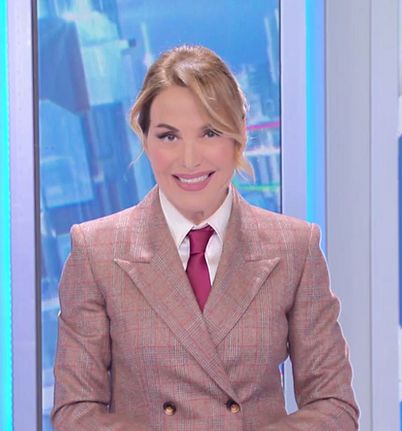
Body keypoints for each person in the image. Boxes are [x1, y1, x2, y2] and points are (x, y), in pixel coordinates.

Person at [52, 45, 358, 430]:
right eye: (168, 136)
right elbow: (75, 412)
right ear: (144, 140)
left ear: (239, 134)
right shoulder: (96, 252)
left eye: (209, 132)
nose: (190, 159)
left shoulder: (294, 248)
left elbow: (334, 406)